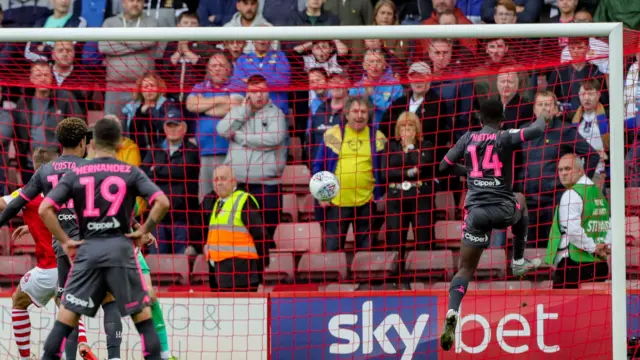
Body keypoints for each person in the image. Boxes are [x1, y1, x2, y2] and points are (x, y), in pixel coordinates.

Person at [38, 116, 171, 360]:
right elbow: (162, 202)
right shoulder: (130, 172)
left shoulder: (78, 172)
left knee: (66, 317)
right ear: (119, 144)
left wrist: (65, 240)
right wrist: (143, 230)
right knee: (142, 317)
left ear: (92, 144)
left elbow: (44, 208)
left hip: (88, 250)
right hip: (119, 250)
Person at [0, 118, 121, 360]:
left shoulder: (43, 175)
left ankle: (42, 356)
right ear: (82, 143)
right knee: (109, 299)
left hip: (62, 253)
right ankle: (112, 355)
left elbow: (14, 204)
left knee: (60, 304)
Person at [438, 99, 547, 351]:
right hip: (503, 210)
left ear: (478, 118)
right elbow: (537, 130)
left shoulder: (466, 138)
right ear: (503, 117)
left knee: (464, 270)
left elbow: (444, 166)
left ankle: (453, 311)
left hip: (475, 214)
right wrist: (543, 115)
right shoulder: (504, 137)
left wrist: (471, 173)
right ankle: (518, 261)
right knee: (521, 200)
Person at [3, 148, 97, 360]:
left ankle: (26, 358)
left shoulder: (28, 191)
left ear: (37, 169)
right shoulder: (72, 191)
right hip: (74, 264)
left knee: (18, 300)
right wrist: (32, 226)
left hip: (47, 268)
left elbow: (4, 204)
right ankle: (82, 341)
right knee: (66, 303)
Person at [545, 154, 611, 289]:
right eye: (560, 170)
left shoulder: (571, 195)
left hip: (573, 265)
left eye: (567, 169)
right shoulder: (598, 194)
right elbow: (609, 224)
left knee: (564, 308)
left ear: (580, 171)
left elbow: (573, 230)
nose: (563, 174)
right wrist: (606, 246)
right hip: (600, 264)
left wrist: (593, 248)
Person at [204, 165, 274, 291]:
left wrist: (261, 268)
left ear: (233, 181)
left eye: (223, 179)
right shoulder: (215, 203)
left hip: (241, 276)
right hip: (220, 275)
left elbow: (261, 236)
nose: (219, 183)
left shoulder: (243, 201)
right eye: (215, 180)